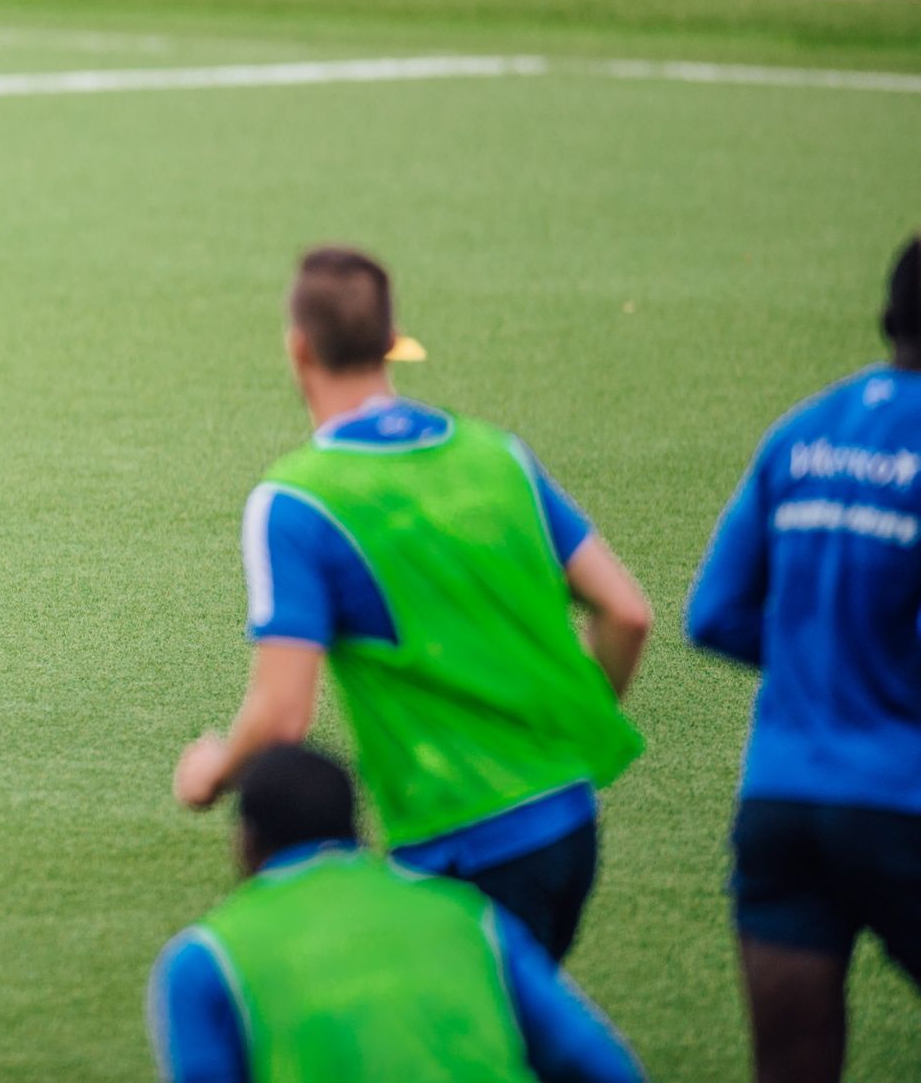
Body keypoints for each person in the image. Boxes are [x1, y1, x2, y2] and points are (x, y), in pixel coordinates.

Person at [174, 247, 653, 960]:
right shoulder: (498, 456)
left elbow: (282, 717)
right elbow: (627, 613)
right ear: (391, 341)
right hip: (569, 820)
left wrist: (212, 772)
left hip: (462, 840)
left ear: (298, 348)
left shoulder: (299, 500)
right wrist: (556, 735)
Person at [685, 233, 921, 1083]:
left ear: (888, 314)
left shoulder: (803, 431)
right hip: (903, 802)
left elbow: (713, 614)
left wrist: (816, 658)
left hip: (780, 804)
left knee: (790, 1070)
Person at [149, 744, 645, 1083]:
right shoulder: (466, 913)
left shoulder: (205, 958)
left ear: (247, 841)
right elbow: (598, 1063)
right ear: (356, 828)